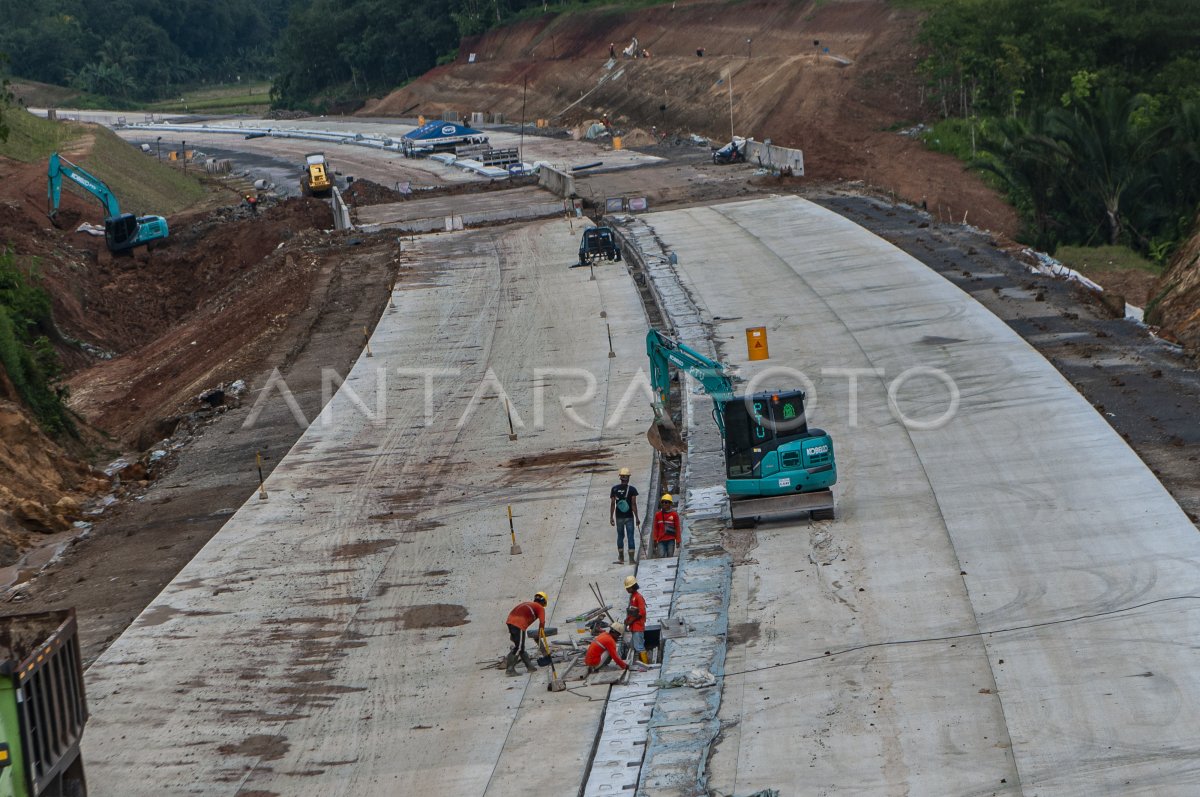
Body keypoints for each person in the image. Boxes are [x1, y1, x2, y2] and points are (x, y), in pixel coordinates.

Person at [504, 592, 547, 676]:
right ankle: (510, 670)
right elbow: (542, 622)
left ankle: (530, 667)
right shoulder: (540, 608)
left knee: (521, 647)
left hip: (511, 621)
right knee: (518, 647)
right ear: (543, 602)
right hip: (518, 623)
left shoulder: (528, 604)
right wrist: (540, 634)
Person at [610, 467, 640, 564]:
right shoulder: (632, 489)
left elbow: (612, 503)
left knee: (620, 536)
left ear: (620, 478)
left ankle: (621, 558)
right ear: (628, 478)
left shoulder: (614, 489)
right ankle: (631, 560)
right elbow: (633, 504)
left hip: (619, 517)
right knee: (630, 536)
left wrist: (611, 517)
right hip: (629, 517)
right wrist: (637, 518)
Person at [624, 575, 648, 664]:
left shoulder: (638, 597)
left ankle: (645, 665)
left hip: (638, 626)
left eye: (628, 588)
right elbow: (631, 611)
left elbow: (642, 612)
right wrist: (627, 620)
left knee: (639, 647)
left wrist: (631, 621)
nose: (627, 590)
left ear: (633, 587)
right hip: (633, 626)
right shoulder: (632, 597)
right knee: (635, 646)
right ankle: (640, 663)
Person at [653, 494, 680, 558]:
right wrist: (655, 539)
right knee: (661, 556)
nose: (664, 504)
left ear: (670, 503)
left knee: (670, 556)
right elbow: (655, 528)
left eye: (666, 502)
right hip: (661, 540)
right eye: (663, 502)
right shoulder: (658, 515)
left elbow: (677, 528)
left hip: (671, 539)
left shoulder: (674, 515)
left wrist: (678, 540)